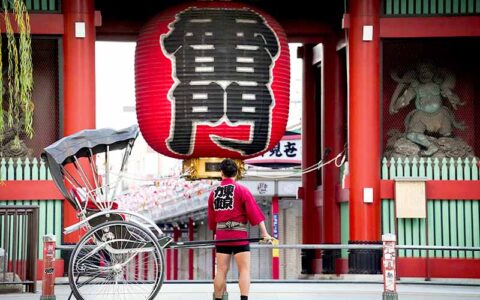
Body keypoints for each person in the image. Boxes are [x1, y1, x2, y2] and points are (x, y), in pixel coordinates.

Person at [208, 158, 272, 300]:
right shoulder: (242, 190)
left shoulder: (214, 193)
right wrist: (265, 233)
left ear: (221, 173)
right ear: (236, 173)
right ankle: (243, 298)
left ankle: (218, 298)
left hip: (222, 236)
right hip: (239, 235)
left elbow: (212, 219)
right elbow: (254, 213)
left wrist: (215, 234)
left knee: (221, 270)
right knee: (244, 270)